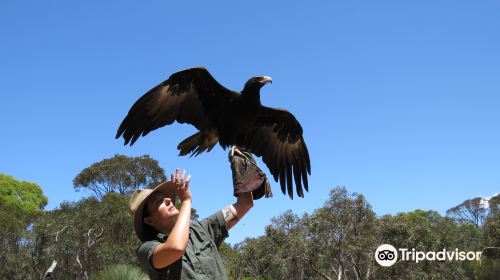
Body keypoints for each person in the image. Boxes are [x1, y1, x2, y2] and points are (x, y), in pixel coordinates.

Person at [128, 146, 272, 279]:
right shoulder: (147, 249)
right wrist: (186, 201)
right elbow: (176, 248)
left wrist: (241, 166)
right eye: (158, 202)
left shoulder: (202, 229)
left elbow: (245, 204)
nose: (168, 200)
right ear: (149, 220)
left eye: (166, 197)